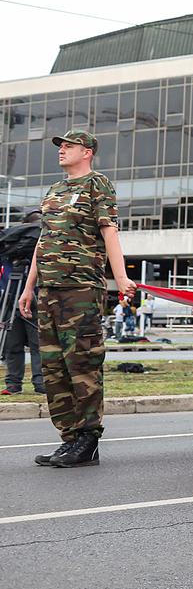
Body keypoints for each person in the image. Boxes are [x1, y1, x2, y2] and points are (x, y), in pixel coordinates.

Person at [20, 128, 134, 468]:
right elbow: (44, 241)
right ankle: (69, 438)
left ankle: (88, 439)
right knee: (53, 367)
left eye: (70, 146)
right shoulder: (55, 190)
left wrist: (120, 277)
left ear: (87, 152)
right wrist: (29, 286)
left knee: (82, 363)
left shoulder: (98, 184)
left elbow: (109, 231)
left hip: (81, 289)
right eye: (61, 146)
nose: (62, 150)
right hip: (48, 290)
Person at [2, 209, 44, 395]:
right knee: (14, 345)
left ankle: (37, 383)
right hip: (11, 300)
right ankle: (14, 384)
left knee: (36, 345)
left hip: (29, 299)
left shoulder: (42, 247)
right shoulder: (9, 247)